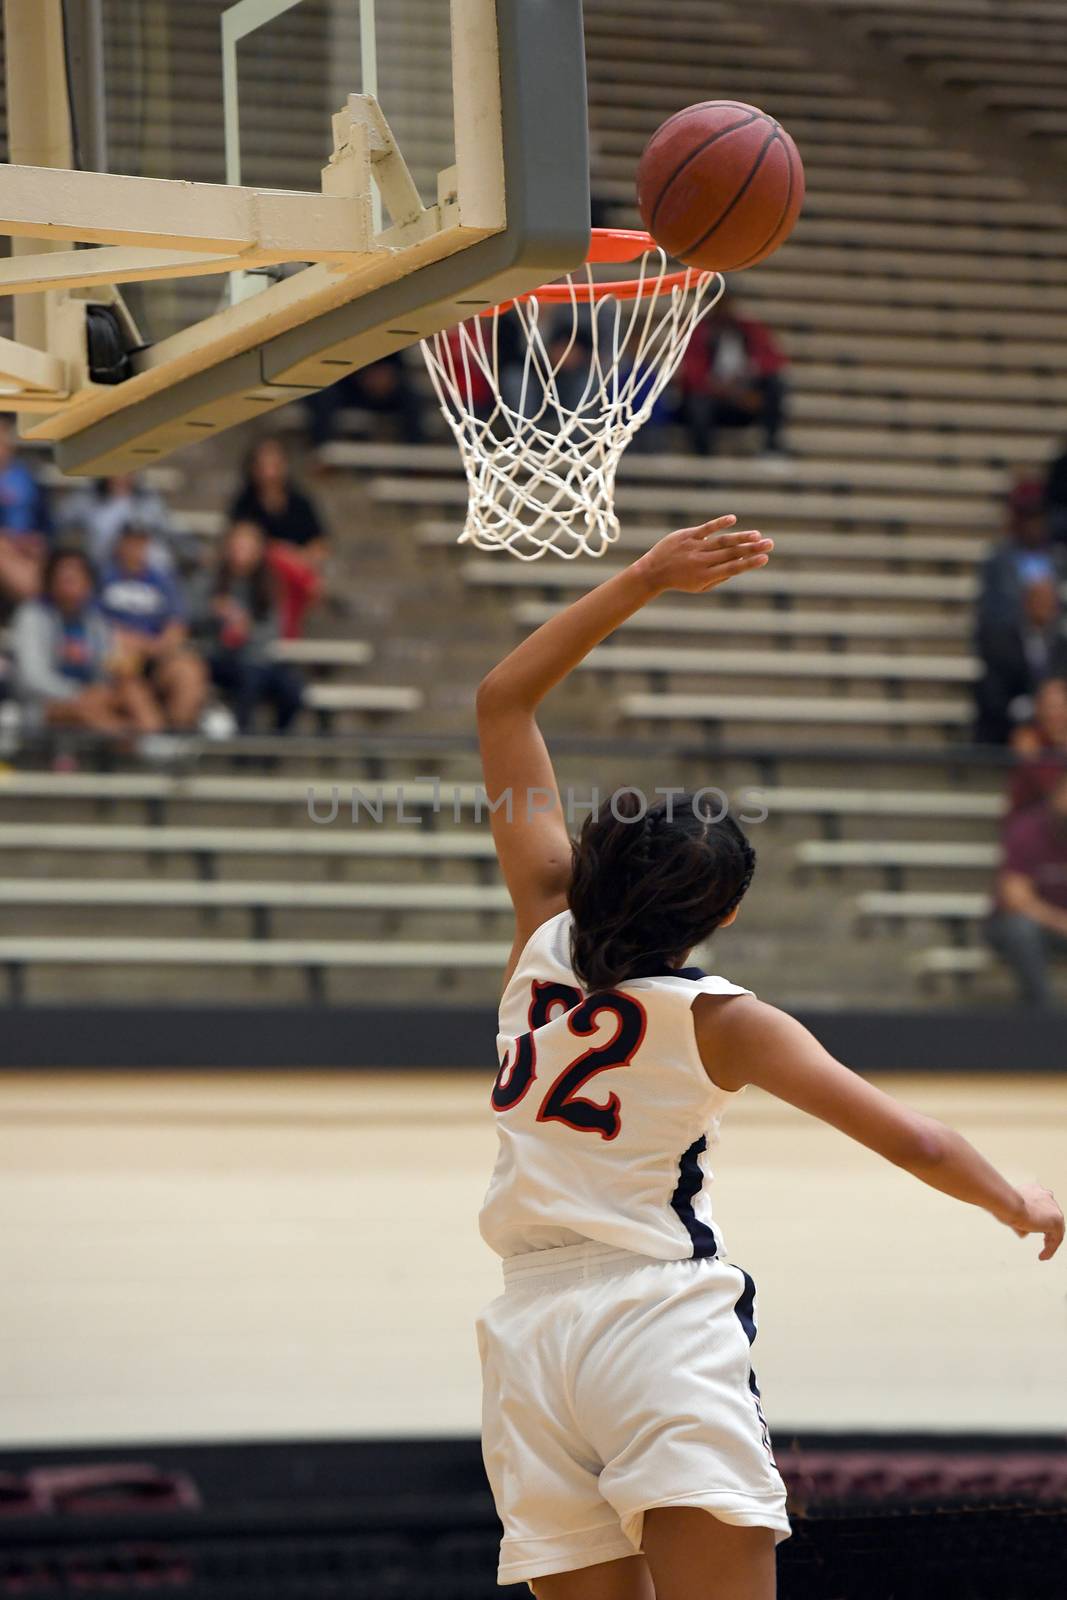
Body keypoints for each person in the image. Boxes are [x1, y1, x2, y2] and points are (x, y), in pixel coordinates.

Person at [473, 515, 1062, 1598]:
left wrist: (642, 577)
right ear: (722, 917)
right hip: (649, 1323)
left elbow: (502, 699)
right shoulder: (719, 1018)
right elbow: (917, 1138)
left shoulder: (540, 917)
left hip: (522, 1338)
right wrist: (1013, 1198)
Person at [11, 547, 163, 737]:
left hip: (91, 695)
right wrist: (78, 693)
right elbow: (32, 678)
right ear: (50, 581)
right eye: (64, 574)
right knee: (87, 710)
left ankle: (156, 749)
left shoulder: (95, 620)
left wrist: (112, 682)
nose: (70, 579)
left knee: (134, 692)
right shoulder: (32, 616)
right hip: (44, 704)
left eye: (77, 574)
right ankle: (130, 751)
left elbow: (105, 668)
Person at [194, 520, 303, 733]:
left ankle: (276, 747)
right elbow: (187, 615)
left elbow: (273, 629)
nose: (240, 553)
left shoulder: (268, 583)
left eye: (247, 547)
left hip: (256, 659)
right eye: (237, 545)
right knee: (250, 678)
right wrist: (213, 612)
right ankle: (241, 745)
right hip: (218, 658)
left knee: (293, 689)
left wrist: (247, 629)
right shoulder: (210, 578)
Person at [98, 524, 207, 731]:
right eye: (130, 542)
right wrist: (128, 641)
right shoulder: (103, 578)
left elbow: (177, 627)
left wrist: (152, 647)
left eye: (140, 543)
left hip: (156, 655)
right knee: (127, 674)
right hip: (116, 656)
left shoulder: (163, 581)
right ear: (119, 545)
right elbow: (95, 623)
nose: (135, 548)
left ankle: (177, 733)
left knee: (189, 672)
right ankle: (152, 735)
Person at [229, 436, 328, 638]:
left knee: (288, 572)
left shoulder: (300, 502)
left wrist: (296, 558)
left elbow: (320, 543)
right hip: (259, 569)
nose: (269, 471)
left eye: (274, 464)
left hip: (295, 570)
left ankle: (287, 628)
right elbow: (240, 539)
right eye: (263, 465)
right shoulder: (245, 502)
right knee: (278, 560)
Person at [988, 773, 1067, 1009]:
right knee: (1021, 928)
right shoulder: (1029, 830)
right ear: (1056, 796)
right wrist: (1061, 922)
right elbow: (1016, 898)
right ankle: (1040, 1011)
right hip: (1031, 925)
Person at [677, 291, 788, 459]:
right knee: (697, 403)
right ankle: (703, 457)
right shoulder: (700, 331)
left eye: (727, 303)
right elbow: (693, 374)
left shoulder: (748, 329)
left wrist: (750, 381)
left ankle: (771, 446)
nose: (724, 309)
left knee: (775, 386)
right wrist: (728, 392)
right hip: (714, 399)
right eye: (720, 304)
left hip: (744, 399)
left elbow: (773, 360)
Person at [973, 575, 1067, 745]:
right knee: (1025, 742)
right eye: (1038, 600)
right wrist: (1032, 711)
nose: (1044, 606)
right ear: (1026, 602)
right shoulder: (1002, 644)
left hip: (1057, 725)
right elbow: (993, 695)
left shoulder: (1062, 645)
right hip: (1015, 726)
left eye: (1048, 601)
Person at [304, 352, 426, 452]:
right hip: (351, 386)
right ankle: (321, 451)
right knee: (323, 396)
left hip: (387, 389)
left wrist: (387, 377)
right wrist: (363, 376)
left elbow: (398, 365)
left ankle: (417, 455)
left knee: (413, 398)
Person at [57, 472, 176, 572]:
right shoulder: (87, 497)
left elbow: (166, 531)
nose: (121, 475)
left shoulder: (149, 499)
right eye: (117, 469)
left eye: (127, 469)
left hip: (143, 568)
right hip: (101, 564)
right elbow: (60, 518)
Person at [0, 413, 52, 609]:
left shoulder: (26, 476)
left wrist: (37, 540)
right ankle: (34, 603)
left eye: (4, 434)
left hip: (25, 546)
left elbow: (43, 519)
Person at [1009, 677, 1067, 814]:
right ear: (1038, 709)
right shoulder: (1029, 741)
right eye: (1049, 707)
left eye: (1060, 706)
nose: (1054, 714)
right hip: (1036, 819)